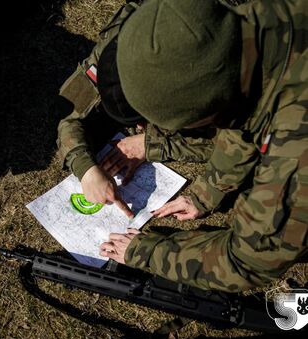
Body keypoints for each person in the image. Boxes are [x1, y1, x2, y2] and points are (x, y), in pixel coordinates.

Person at [56, 0, 307, 292]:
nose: (141, 129)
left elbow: (247, 260)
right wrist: (206, 194)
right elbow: (241, 116)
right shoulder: (253, 26)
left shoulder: (293, 151)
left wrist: (146, 251)